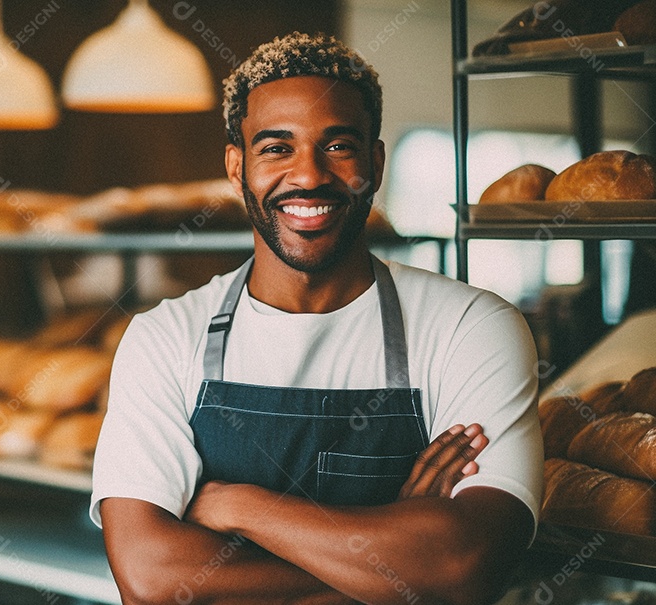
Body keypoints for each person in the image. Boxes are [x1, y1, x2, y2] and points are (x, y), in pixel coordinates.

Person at [91, 32, 543, 605]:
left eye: (338, 146)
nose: (308, 175)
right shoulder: (164, 339)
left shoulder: (472, 328)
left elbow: (465, 566)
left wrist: (240, 506)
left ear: (375, 163)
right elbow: (152, 580)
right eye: (277, 148)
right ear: (237, 167)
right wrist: (394, 567)